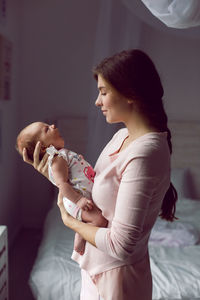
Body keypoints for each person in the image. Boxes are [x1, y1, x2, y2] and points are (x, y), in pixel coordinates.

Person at [23, 49, 178, 300]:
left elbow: (122, 245)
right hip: (96, 270)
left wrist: (69, 221)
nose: (97, 101)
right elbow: (91, 187)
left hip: (117, 281)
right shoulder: (121, 136)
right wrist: (57, 176)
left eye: (104, 92)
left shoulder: (145, 153)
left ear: (130, 93)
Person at [16, 122, 107, 255]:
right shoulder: (57, 159)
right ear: (44, 148)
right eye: (46, 129)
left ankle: (83, 228)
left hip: (81, 195)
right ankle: (81, 235)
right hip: (74, 200)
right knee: (100, 220)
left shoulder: (62, 155)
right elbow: (62, 184)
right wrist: (78, 200)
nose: (53, 126)